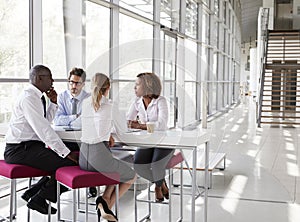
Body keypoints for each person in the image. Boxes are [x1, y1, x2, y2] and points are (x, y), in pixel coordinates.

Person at [4, 65, 78, 215]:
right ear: (39, 78)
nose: (53, 80)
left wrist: (54, 103)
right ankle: (39, 198)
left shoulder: (36, 97)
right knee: (70, 164)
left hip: (28, 147)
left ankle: (33, 193)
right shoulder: (29, 98)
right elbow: (43, 129)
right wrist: (65, 152)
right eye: (50, 77)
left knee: (65, 158)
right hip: (19, 150)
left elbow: (45, 122)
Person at [79, 73, 136, 222]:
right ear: (108, 87)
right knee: (131, 175)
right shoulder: (110, 105)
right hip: (99, 158)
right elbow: (123, 132)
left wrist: (106, 133)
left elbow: (91, 126)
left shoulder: (84, 103)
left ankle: (104, 199)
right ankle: (107, 206)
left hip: (83, 157)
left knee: (115, 167)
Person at [127, 72, 173, 202]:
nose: (134, 88)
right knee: (138, 166)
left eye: (137, 85)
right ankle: (160, 183)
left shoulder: (161, 101)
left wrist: (140, 126)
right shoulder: (137, 102)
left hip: (164, 142)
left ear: (147, 86)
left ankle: (158, 188)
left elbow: (162, 125)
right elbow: (128, 122)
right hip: (147, 142)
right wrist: (133, 124)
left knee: (157, 165)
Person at [53, 67, 96, 197]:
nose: (73, 86)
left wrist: (71, 120)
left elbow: (86, 122)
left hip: (83, 139)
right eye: (71, 82)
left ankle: (90, 183)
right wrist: (75, 117)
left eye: (77, 83)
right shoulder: (62, 97)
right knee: (57, 153)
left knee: (89, 151)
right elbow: (57, 120)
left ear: (83, 84)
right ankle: (59, 183)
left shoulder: (89, 98)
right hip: (65, 140)